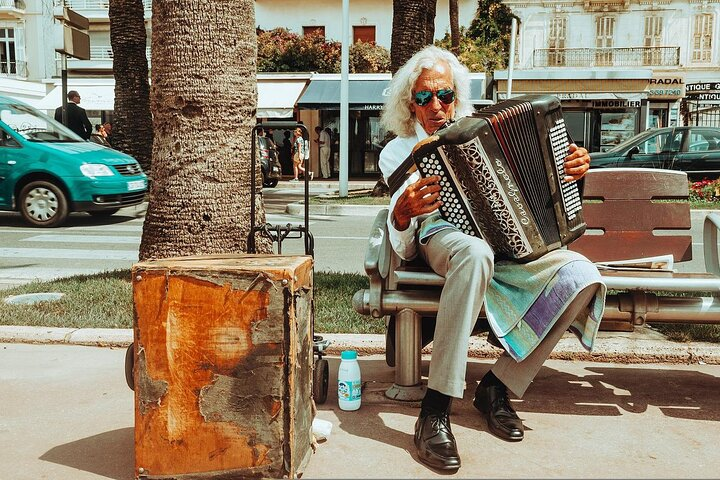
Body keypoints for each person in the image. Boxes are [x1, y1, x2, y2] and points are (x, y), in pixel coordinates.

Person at [379, 45, 606, 471]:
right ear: (411, 103)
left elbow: (537, 192)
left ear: (456, 97)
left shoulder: (479, 131)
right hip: (444, 237)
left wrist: (571, 169)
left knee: (583, 274)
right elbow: (405, 246)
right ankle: (435, 409)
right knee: (475, 250)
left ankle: (498, 386)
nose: (435, 106)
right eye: (424, 97)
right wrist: (403, 212)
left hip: (508, 247)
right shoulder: (399, 152)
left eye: (443, 95)